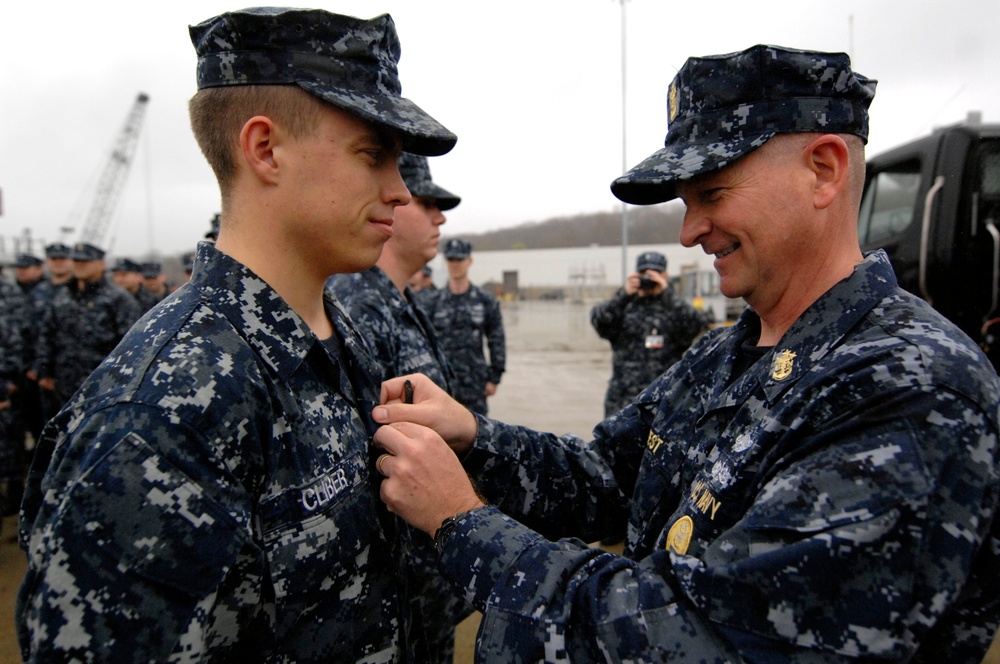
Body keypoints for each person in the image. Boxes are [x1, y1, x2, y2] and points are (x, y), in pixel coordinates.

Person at [369, 44, 1000, 662]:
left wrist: (460, 522)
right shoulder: (727, 354)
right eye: (686, 202)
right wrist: (474, 438)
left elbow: (700, 635)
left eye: (714, 194)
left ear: (824, 170)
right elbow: (606, 476)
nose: (688, 231)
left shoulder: (913, 387)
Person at [17, 7, 456, 662]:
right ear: (265, 149)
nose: (399, 190)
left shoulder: (345, 332)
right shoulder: (158, 414)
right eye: (374, 154)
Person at [327, 151, 468, 663]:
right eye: (427, 202)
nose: (440, 217)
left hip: (425, 570)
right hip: (397, 578)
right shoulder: (359, 307)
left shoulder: (397, 299)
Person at [590, 250, 708, 417]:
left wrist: (666, 293)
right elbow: (599, 321)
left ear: (665, 275)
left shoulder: (672, 307)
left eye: (655, 273)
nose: (649, 278)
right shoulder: (624, 306)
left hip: (665, 400)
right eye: (644, 273)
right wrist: (624, 294)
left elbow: (696, 324)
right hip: (624, 400)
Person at [33, 242, 141, 409]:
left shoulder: (118, 299)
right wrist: (45, 371)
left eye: (86, 262)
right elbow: (48, 334)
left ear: (101, 264)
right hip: (64, 384)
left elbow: (131, 344)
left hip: (103, 386)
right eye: (76, 262)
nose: (80, 266)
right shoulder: (63, 296)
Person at [427, 238, 505, 415]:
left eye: (460, 260)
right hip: (441, 385)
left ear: (469, 261)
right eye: (451, 260)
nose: (455, 264)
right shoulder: (432, 302)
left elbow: (496, 339)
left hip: (475, 385)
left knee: (478, 438)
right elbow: (424, 343)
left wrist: (494, 378)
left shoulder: (485, 301)